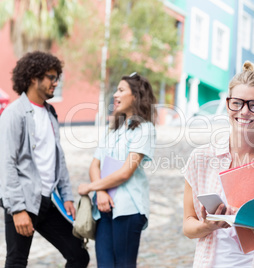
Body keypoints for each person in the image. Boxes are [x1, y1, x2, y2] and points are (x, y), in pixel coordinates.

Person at [183, 61, 254, 267]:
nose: (244, 111)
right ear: (228, 104)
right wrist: (208, 225)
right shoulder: (201, 158)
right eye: (237, 103)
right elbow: (188, 225)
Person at [0, 51, 90, 267]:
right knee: (17, 261)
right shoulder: (15, 114)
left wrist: (67, 195)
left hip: (47, 202)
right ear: (34, 77)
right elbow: (6, 163)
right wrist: (18, 210)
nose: (56, 83)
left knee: (78, 255)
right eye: (51, 77)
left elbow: (57, 158)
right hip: (23, 201)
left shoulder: (50, 113)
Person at [78, 72, 156, 268]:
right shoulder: (112, 129)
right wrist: (100, 191)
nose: (115, 94)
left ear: (136, 96)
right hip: (103, 206)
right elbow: (95, 164)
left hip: (127, 208)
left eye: (121, 90)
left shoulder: (144, 129)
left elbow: (125, 172)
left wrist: (90, 187)